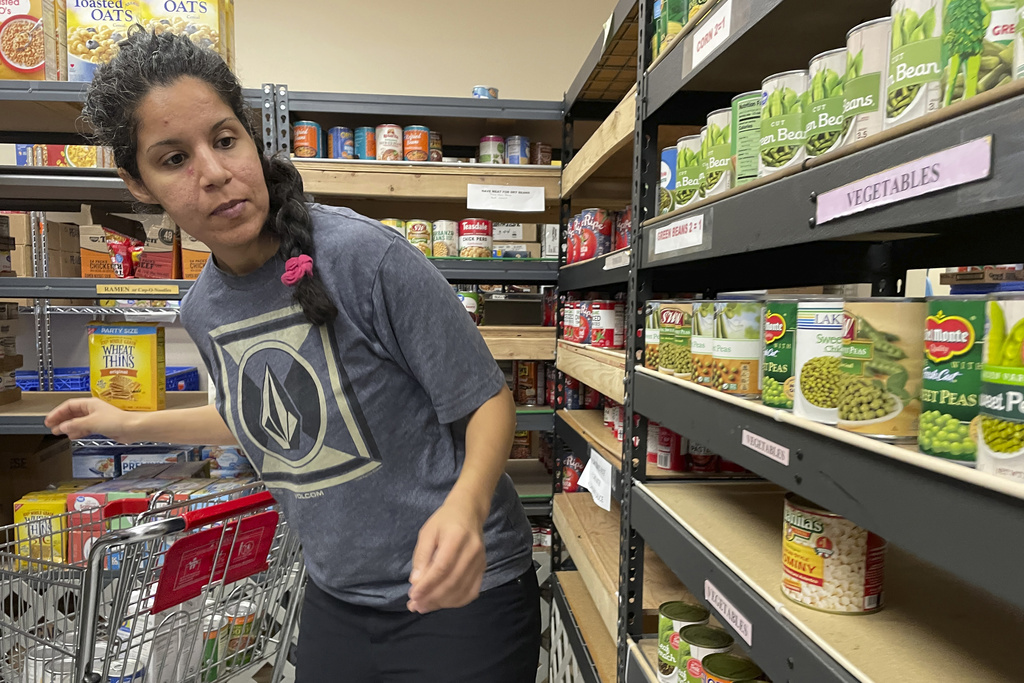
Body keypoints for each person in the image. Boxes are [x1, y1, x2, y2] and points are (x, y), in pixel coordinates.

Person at [45, 28, 540, 682]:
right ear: (137, 182)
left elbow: (485, 401)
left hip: (465, 596)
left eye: (224, 140)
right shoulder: (203, 309)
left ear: (251, 138)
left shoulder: (367, 259)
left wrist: (466, 506)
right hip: (337, 596)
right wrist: (124, 423)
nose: (216, 173)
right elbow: (256, 414)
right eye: (173, 159)